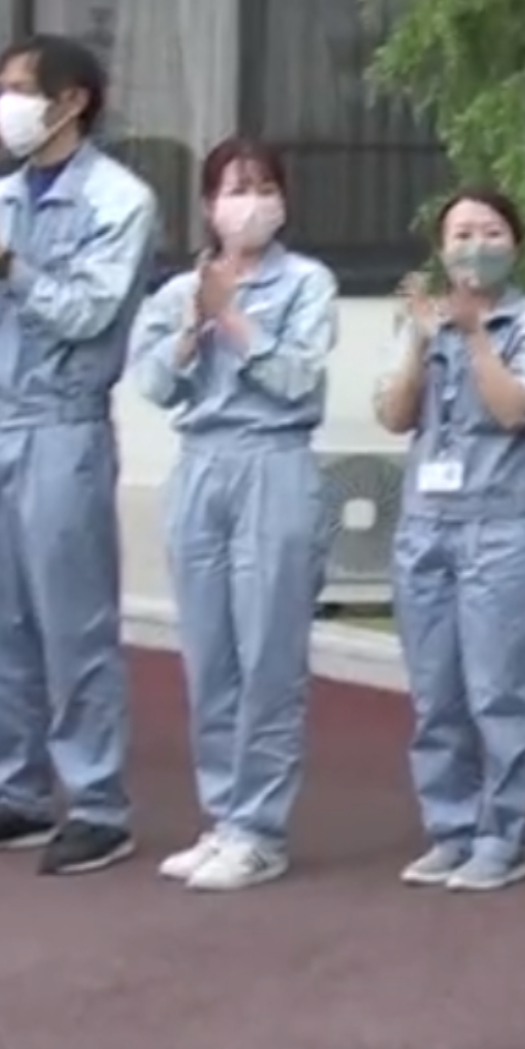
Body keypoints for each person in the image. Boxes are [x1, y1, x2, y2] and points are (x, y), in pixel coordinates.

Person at [0, 35, 160, 876]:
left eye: (20, 88)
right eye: (0, 87)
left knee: (73, 621)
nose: (4, 105)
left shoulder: (119, 199)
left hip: (62, 422)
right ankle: (13, 790)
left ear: (72, 101)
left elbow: (88, 313)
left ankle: (97, 803)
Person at [127, 138, 341, 892]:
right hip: (201, 464)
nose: (247, 201)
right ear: (208, 203)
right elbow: (153, 383)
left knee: (267, 656)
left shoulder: (306, 281)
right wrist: (195, 324)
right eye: (232, 187)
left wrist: (236, 320)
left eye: (261, 185)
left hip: (273, 460)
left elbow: (297, 378)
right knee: (209, 655)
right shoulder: (177, 290)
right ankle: (222, 817)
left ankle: (260, 829)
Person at [375, 187, 525, 893]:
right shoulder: (428, 322)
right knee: (437, 693)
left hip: (505, 525)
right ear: (441, 247)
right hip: (427, 522)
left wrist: (477, 335)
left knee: (501, 690)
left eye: (490, 232)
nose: (474, 246)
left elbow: (516, 409)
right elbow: (395, 416)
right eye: (460, 234)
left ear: (516, 243)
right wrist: (421, 339)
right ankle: (450, 829)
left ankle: (501, 836)